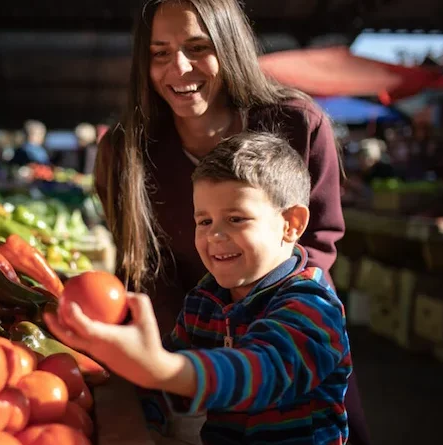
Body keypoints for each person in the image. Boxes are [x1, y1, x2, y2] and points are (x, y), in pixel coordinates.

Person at [92, 1, 369, 443]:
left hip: (286, 339)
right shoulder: (125, 151)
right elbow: (147, 269)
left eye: (197, 46)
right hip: (195, 361)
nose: (177, 67)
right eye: (159, 52)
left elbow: (318, 242)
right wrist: (143, 386)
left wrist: (174, 365)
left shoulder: (299, 123)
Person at [47, 132, 352, 444]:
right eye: (203, 222)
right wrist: (148, 420)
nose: (215, 236)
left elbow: (262, 372)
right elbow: (167, 389)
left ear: (292, 224)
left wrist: (163, 368)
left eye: (236, 218)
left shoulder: (313, 306)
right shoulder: (205, 300)